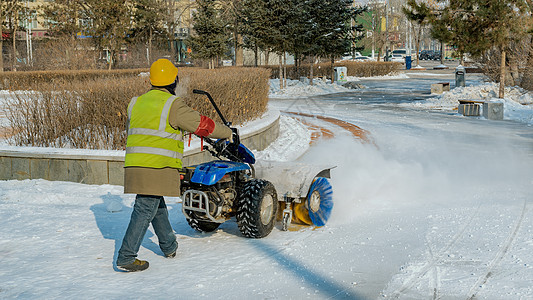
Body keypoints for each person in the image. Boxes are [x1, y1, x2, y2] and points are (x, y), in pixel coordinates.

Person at [116, 59, 232, 272]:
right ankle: (126, 256)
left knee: (155, 205)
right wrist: (227, 132)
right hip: (157, 166)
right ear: (173, 81)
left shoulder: (136, 103)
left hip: (134, 164)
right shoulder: (172, 104)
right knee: (144, 208)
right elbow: (201, 124)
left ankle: (169, 246)